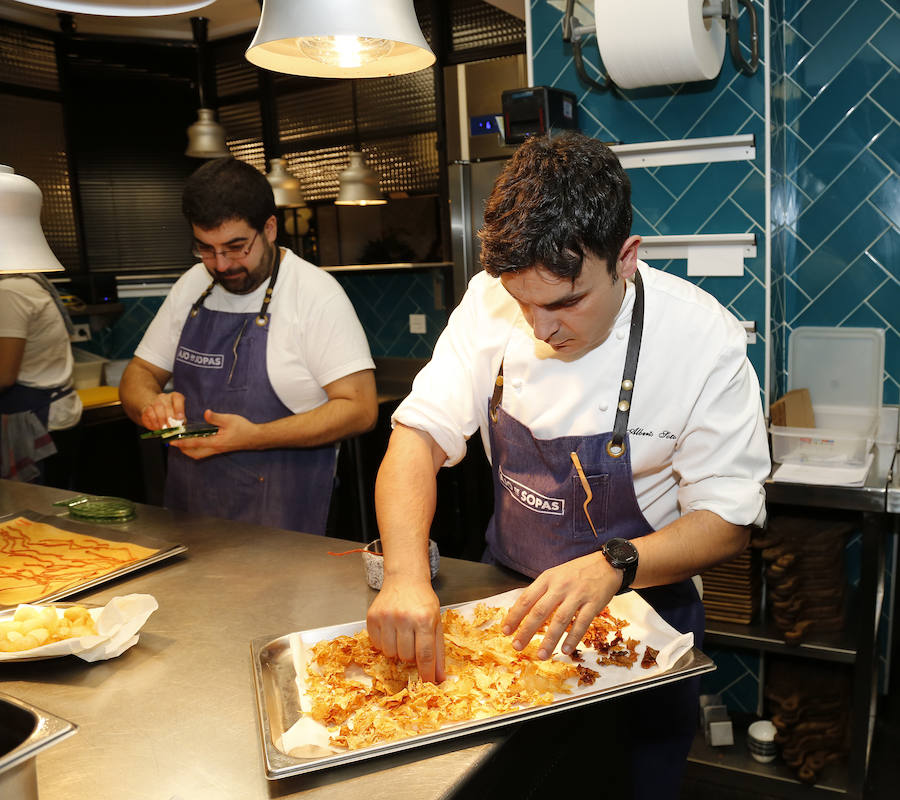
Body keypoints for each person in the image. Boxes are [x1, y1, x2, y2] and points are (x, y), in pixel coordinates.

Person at [365, 132, 770, 797]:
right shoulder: (488, 302)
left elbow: (729, 519)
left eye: (564, 303)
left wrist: (616, 562)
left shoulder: (704, 340)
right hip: (511, 609)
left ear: (627, 259)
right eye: (523, 303)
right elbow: (415, 439)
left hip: (645, 614)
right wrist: (406, 577)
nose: (539, 328)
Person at [119, 157, 377, 534]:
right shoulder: (194, 285)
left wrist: (256, 437)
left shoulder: (314, 294)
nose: (221, 264)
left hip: (284, 521)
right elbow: (139, 373)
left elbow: (360, 409)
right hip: (192, 514)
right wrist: (151, 405)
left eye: (236, 247)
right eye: (205, 249)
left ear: (270, 228)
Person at [0, 272, 83, 482]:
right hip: (50, 413)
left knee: (37, 506)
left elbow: (4, 376)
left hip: (36, 421)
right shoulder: (25, 283)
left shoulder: (9, 290)